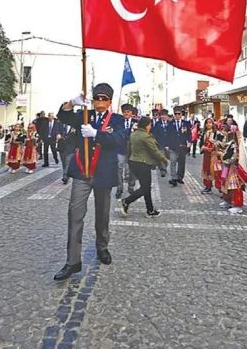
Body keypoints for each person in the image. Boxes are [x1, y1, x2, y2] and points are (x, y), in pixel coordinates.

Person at [53, 83, 124, 281]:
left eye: (104, 99)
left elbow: (119, 140)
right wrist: (71, 103)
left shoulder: (117, 120)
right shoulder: (85, 115)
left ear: (109, 101)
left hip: (103, 173)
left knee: (102, 215)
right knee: (74, 214)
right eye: (97, 99)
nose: (100, 102)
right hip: (82, 172)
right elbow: (63, 117)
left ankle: (102, 247)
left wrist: (97, 134)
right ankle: (72, 261)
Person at [121, 116, 168, 217]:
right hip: (143, 163)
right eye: (150, 125)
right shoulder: (145, 136)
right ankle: (126, 201)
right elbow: (154, 150)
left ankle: (150, 210)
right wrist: (164, 160)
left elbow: (129, 149)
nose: (150, 126)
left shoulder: (133, 134)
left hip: (133, 162)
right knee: (145, 188)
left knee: (145, 187)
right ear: (147, 125)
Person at [219, 124, 247, 214]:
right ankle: (227, 200)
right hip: (227, 167)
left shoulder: (239, 145)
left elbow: (235, 157)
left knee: (235, 186)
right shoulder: (231, 142)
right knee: (225, 183)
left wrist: (225, 159)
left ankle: (238, 205)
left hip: (234, 168)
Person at [116, 104, 137, 198]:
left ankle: (131, 186)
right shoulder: (118, 122)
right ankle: (119, 188)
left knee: (133, 169)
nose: (126, 113)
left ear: (132, 113)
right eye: (124, 112)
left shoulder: (136, 122)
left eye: (128, 112)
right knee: (119, 169)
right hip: (120, 148)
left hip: (133, 150)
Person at [167, 109, 191, 186]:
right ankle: (173, 178)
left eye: (178, 113)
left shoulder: (186, 123)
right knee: (173, 161)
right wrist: (166, 145)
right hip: (173, 146)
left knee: (181, 163)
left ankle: (179, 177)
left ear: (181, 114)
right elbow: (168, 134)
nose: (177, 115)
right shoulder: (170, 123)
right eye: (175, 114)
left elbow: (189, 134)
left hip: (182, 146)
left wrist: (189, 142)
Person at [200, 118, 218, 194]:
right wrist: (203, 147)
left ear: (212, 124)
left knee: (215, 171)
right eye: (207, 123)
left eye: (210, 123)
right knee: (206, 169)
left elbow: (218, 143)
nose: (208, 124)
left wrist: (211, 147)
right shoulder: (204, 132)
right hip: (206, 154)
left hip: (213, 154)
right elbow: (201, 143)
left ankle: (221, 189)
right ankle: (208, 186)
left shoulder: (216, 133)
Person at [152, 109, 171, 178]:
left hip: (169, 144)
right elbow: (154, 133)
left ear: (167, 116)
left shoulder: (170, 123)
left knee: (167, 158)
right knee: (161, 157)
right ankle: (163, 170)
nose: (163, 117)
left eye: (165, 115)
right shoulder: (157, 124)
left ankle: (164, 166)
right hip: (160, 144)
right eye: (162, 115)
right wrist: (154, 140)